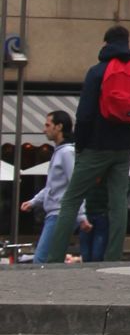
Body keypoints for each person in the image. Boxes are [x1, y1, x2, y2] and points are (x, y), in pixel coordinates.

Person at [37, 25, 130, 266]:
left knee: (71, 199)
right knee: (118, 201)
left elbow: (85, 114)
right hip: (122, 149)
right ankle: (113, 257)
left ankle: (55, 258)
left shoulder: (97, 72)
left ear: (106, 43)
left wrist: (81, 146)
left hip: (95, 147)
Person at [26, 112, 75, 265]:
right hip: (56, 212)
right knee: (50, 260)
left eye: (47, 125)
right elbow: (52, 186)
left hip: (59, 213)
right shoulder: (61, 152)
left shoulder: (66, 152)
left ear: (59, 127)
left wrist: (81, 215)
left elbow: (75, 184)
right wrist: (34, 201)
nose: (44, 129)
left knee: (41, 259)